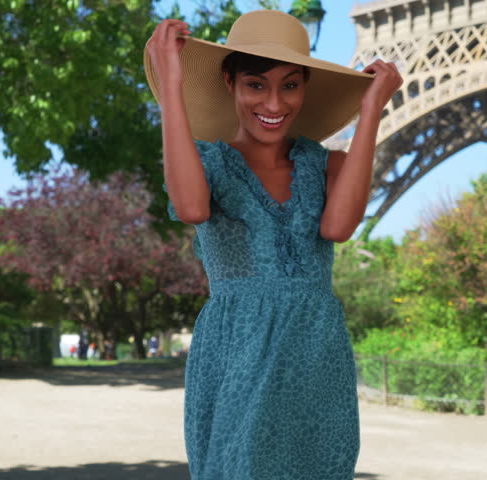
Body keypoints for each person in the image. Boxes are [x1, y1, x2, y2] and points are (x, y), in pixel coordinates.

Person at [144, 9, 402, 479]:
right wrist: (171, 88)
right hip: (236, 348)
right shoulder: (209, 164)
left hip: (314, 352)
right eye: (256, 84)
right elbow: (191, 209)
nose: (274, 102)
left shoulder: (328, 166)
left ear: (305, 89)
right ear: (230, 83)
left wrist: (371, 112)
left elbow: (339, 228)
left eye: (290, 85)